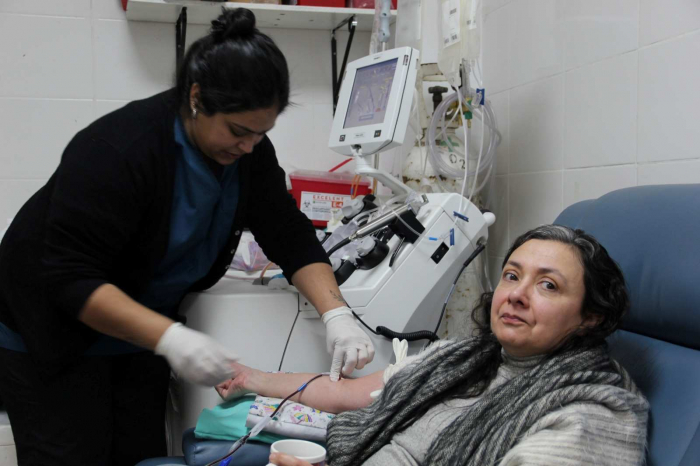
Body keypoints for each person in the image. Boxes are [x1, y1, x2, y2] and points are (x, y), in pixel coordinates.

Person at [0, 8, 373, 465]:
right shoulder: (120, 149)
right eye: (238, 131)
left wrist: (337, 313)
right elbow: (69, 278)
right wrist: (171, 338)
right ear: (196, 97)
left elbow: (288, 231)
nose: (249, 146)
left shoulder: (248, 153)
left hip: (138, 335)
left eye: (262, 133)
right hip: (51, 331)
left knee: (140, 455)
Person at [216, 225, 650, 466]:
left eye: (549, 285)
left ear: (590, 317)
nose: (516, 294)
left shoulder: (588, 417)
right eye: (512, 275)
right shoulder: (457, 362)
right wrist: (251, 378)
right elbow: (345, 393)